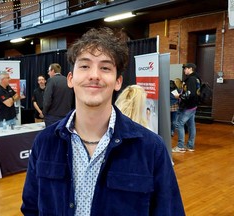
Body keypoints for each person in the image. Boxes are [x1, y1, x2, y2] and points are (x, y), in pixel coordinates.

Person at [21, 27, 185, 215]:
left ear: (118, 82)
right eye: (84, 66)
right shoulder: (44, 142)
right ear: (71, 79)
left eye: (105, 67)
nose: (94, 75)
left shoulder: (151, 148)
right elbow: (31, 208)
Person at [172, 63, 201, 153]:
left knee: (179, 124)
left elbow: (190, 94)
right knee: (191, 125)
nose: (184, 70)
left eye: (185, 68)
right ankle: (190, 146)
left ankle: (180, 146)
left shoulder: (191, 79)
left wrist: (180, 96)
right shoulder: (197, 78)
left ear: (190, 69)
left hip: (189, 106)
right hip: (193, 105)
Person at [43, 63, 73, 127]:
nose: (48, 73)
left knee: (52, 136)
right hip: (66, 116)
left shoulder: (51, 80)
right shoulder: (67, 80)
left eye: (49, 71)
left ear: (53, 71)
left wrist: (44, 112)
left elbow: (47, 100)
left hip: (52, 117)